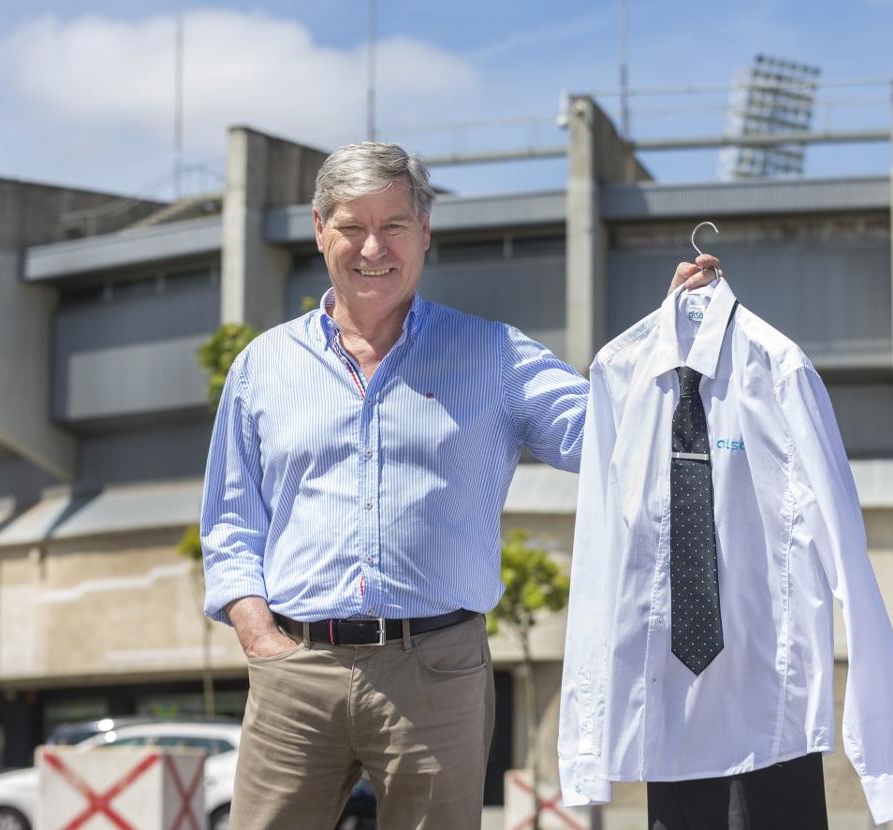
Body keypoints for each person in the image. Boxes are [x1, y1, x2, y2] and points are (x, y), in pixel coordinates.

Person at [200, 141, 718, 829]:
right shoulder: (262, 365)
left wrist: (675, 339)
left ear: (425, 234)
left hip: (437, 668)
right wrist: (260, 634)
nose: (372, 247)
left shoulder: (494, 354)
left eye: (393, 226)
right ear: (320, 230)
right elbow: (232, 520)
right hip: (297, 669)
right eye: (351, 227)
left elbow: (611, 434)